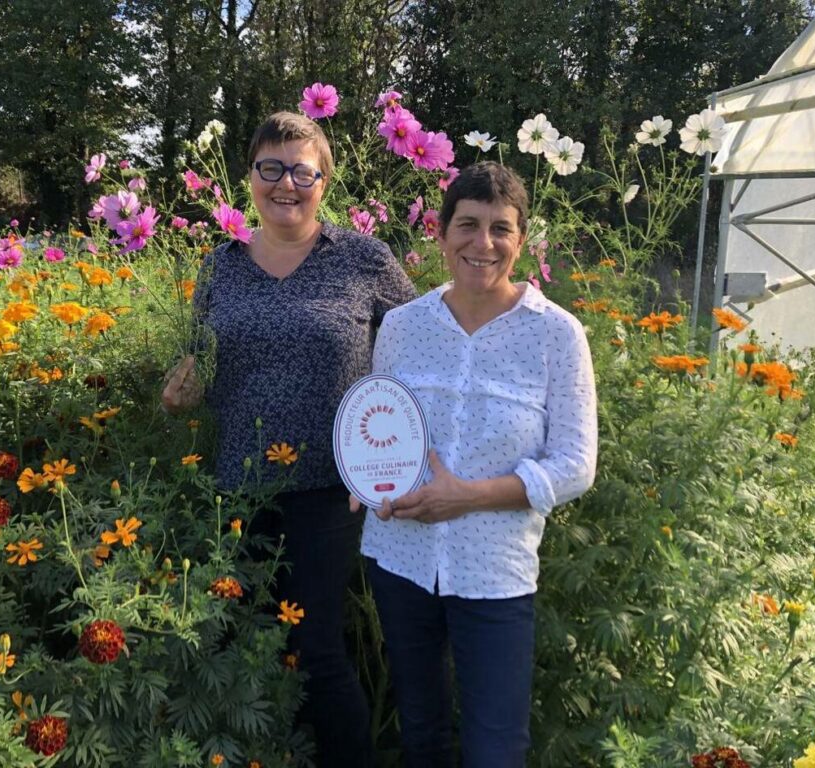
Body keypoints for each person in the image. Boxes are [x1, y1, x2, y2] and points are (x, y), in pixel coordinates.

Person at [161, 111, 416, 768]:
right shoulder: (220, 268)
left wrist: (387, 463)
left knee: (317, 652)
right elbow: (202, 367)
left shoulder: (364, 259)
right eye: (270, 168)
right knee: (241, 648)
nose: (286, 184)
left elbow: (419, 355)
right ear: (249, 178)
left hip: (330, 493)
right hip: (235, 491)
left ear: (324, 182)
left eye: (303, 170)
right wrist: (180, 395)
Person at [354, 162, 597, 767]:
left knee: (496, 748)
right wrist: (367, 480)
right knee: (421, 733)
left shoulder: (557, 336)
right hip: (401, 556)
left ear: (521, 241)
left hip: (495, 570)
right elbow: (381, 423)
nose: (481, 243)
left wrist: (467, 496)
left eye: (500, 229)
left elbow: (576, 463)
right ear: (441, 234)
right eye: (467, 224)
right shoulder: (404, 326)